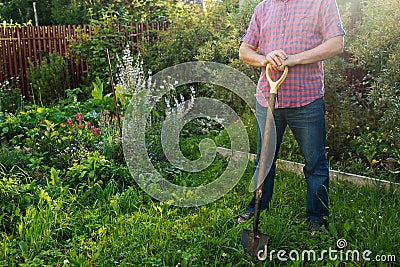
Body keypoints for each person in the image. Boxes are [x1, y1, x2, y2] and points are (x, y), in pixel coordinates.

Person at [237, 0, 345, 235]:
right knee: (263, 160)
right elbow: (244, 51)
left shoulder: (321, 3)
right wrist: (265, 58)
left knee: (315, 163)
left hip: (306, 100)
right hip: (268, 99)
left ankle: (317, 218)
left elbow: (336, 43)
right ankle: (256, 208)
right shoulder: (263, 8)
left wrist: (294, 59)